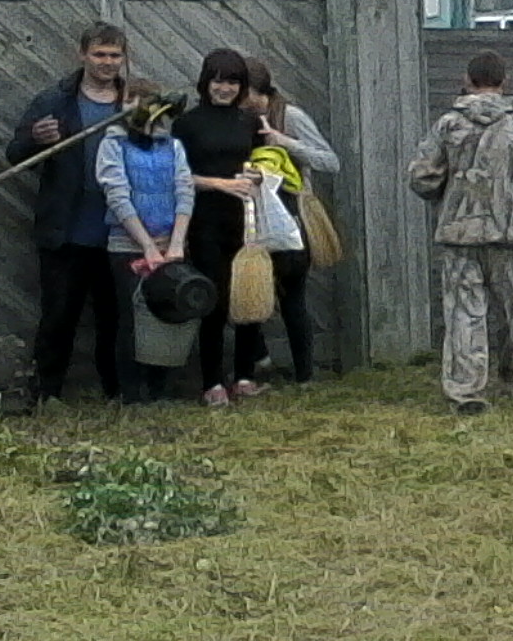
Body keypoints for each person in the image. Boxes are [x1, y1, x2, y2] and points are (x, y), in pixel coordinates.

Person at [407, 49, 513, 414]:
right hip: (508, 232)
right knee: (510, 310)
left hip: (460, 233)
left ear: (467, 80)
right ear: (505, 82)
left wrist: (451, 196)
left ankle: (466, 390)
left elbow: (422, 177)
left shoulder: (448, 125)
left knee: (463, 312)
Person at [5, 23, 130, 402]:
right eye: (99, 54)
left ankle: (118, 393)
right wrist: (35, 139)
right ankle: (47, 395)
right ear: (82, 55)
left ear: (124, 58)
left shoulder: (133, 103)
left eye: (114, 55)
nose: (107, 62)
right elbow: (15, 154)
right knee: (59, 317)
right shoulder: (55, 101)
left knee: (115, 318)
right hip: (66, 229)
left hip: (121, 229)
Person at [233, 56, 339, 385]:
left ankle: (305, 375)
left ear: (259, 90)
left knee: (293, 297)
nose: (239, 100)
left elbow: (330, 161)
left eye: (244, 93)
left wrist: (284, 141)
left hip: (291, 216)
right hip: (250, 217)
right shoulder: (236, 118)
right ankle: (256, 364)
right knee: (249, 290)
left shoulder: (289, 115)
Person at [171, 48, 263, 407]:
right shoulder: (187, 124)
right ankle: (212, 381)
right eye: (218, 81)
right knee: (214, 300)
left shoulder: (249, 122)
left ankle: (245, 376)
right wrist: (221, 184)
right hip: (205, 221)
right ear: (205, 82)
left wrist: (258, 175)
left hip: (246, 220)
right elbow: (178, 176)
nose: (224, 88)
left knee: (248, 292)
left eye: (233, 82)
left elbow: (262, 162)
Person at [94, 83, 195, 405]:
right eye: (129, 101)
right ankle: (132, 394)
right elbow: (117, 196)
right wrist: (147, 247)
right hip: (127, 246)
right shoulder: (112, 144)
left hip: (171, 245)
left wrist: (176, 244)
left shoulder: (173, 146)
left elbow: (184, 190)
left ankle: (160, 390)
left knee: (169, 312)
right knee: (133, 319)